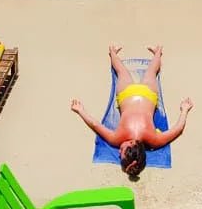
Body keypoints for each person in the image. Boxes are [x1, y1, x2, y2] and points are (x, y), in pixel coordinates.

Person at [71, 45, 193, 178]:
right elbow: (95, 125)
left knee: (149, 72)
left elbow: (178, 129)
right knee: (122, 72)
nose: (118, 152)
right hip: (126, 94)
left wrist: (184, 109)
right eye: (122, 152)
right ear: (131, 144)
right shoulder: (118, 138)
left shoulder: (153, 139)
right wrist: (81, 110)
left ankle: (156, 53)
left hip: (147, 94)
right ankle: (114, 53)